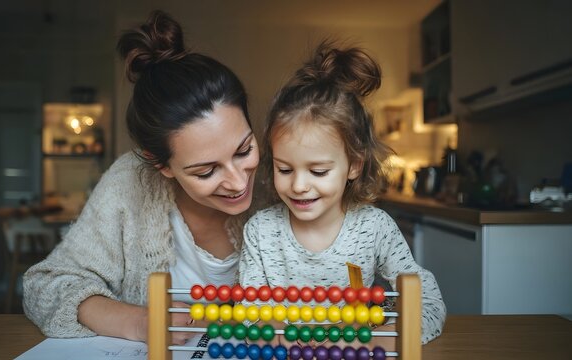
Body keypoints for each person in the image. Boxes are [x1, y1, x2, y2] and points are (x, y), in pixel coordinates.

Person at [23, 10, 260, 345]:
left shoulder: (286, 181)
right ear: (160, 164)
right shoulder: (130, 183)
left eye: (244, 150)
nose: (238, 182)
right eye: (206, 171)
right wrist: (138, 322)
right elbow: (43, 285)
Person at [238, 41, 446, 347]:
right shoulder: (260, 231)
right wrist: (286, 339)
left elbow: (428, 302)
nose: (298, 185)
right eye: (284, 170)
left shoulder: (374, 228)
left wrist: (382, 342)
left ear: (354, 166)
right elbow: (249, 314)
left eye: (318, 172)